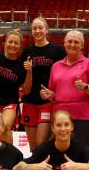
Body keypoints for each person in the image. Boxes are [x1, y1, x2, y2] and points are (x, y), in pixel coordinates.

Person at [42, 30, 89, 150]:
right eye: (69, 41)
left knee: (84, 156)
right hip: (60, 118)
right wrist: (48, 94)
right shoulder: (56, 66)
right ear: (64, 43)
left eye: (76, 42)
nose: (72, 44)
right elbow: (53, 94)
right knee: (60, 156)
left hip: (82, 118)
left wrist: (85, 87)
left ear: (82, 45)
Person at [21, 17, 66, 150]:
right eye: (34, 28)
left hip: (47, 101)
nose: (37, 30)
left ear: (46, 30)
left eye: (40, 28)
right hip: (29, 101)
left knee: (41, 143)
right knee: (33, 146)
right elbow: (24, 81)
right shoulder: (27, 52)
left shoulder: (58, 50)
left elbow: (65, 72)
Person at [0, 30, 26, 143]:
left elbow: (26, 89)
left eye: (16, 43)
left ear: (20, 46)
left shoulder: (22, 66)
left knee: (5, 126)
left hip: (10, 103)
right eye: (10, 41)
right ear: (5, 42)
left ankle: (8, 157)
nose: (12, 45)